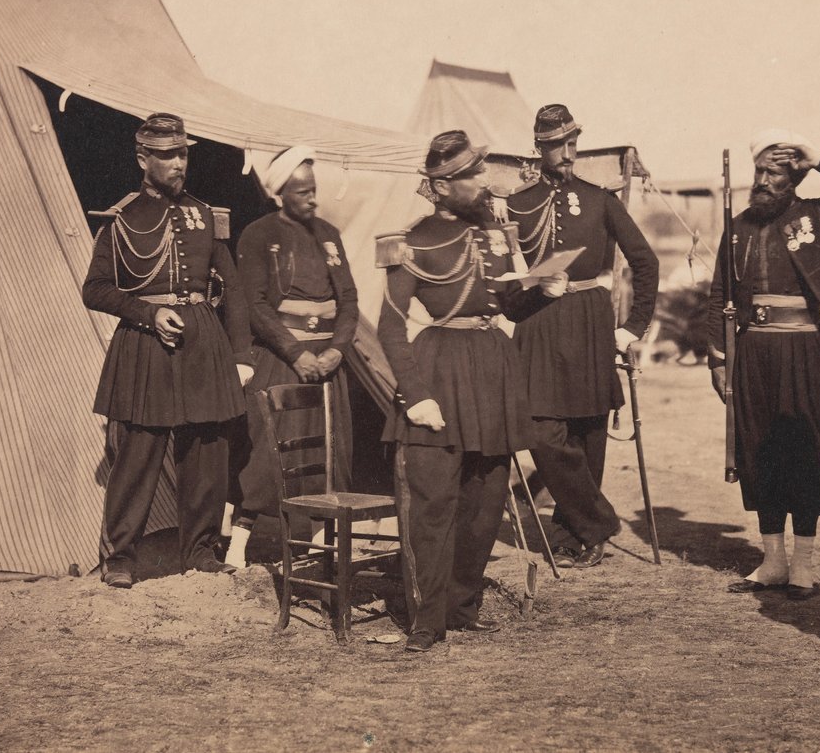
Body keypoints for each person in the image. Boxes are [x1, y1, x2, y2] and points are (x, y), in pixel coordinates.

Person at [378, 130, 566, 653]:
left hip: (492, 369)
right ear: (440, 185)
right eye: (472, 174)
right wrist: (416, 394)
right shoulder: (410, 242)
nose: (485, 181)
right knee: (434, 503)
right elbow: (391, 327)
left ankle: (462, 608)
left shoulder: (494, 234)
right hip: (440, 371)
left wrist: (541, 294)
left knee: (485, 501)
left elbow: (505, 306)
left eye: (482, 171)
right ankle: (425, 620)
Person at [83, 113, 253, 589]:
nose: (179, 163)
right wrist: (147, 313)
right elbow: (93, 289)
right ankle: (120, 556)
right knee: (138, 454)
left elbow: (234, 291)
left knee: (207, 450)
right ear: (143, 158)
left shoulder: (206, 216)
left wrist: (242, 356)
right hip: (145, 345)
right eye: (168, 155)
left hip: (204, 344)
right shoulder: (122, 219)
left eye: (183, 154)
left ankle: (199, 552)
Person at [708, 130, 820, 599]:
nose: (761, 180)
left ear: (794, 177)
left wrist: (819, 155)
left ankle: (803, 565)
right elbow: (719, 294)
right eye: (758, 171)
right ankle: (773, 560)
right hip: (753, 352)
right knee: (758, 450)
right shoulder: (737, 227)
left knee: (802, 448)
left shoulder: (818, 216)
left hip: (804, 350)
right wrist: (717, 360)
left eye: (773, 172)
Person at [506, 104, 659, 568]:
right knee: (540, 430)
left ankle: (576, 537)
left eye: (574, 143)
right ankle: (598, 523)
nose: (569, 153)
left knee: (589, 432)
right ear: (540, 148)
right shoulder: (516, 204)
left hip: (590, 320)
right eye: (559, 145)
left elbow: (647, 263)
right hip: (537, 321)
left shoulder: (601, 200)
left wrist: (632, 327)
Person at [224, 147, 359, 568]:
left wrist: (338, 348)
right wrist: (296, 352)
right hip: (283, 360)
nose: (312, 199)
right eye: (302, 192)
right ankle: (237, 547)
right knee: (268, 453)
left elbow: (349, 299)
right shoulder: (259, 235)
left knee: (328, 452)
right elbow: (256, 304)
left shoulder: (329, 235)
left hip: (327, 364)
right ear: (280, 193)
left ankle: (323, 550)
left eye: (314, 190)